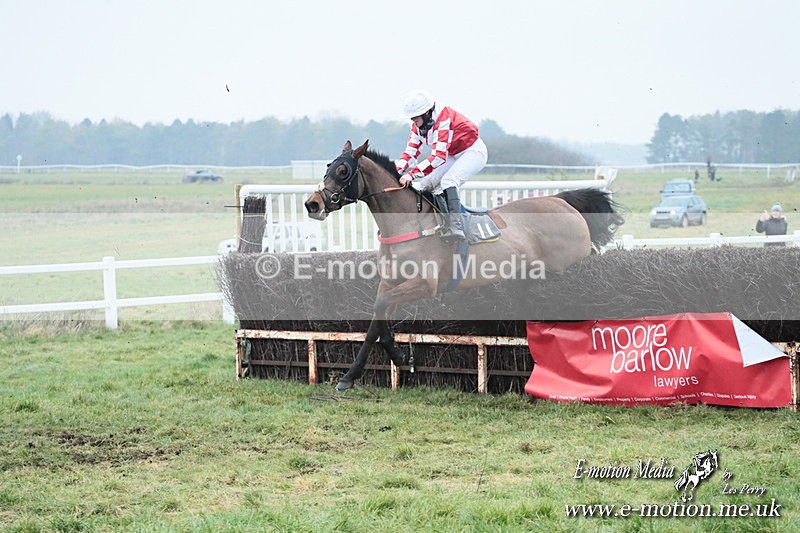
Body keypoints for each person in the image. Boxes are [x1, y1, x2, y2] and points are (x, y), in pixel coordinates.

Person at [396, 89, 488, 242]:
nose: (412, 120)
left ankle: (455, 227)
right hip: (452, 154)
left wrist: (411, 174)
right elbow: (410, 153)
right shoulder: (418, 126)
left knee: (448, 181)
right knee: (426, 183)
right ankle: (443, 224)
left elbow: (438, 157)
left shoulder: (443, 119)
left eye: (415, 117)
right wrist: (396, 172)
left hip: (472, 151)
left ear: (426, 113)